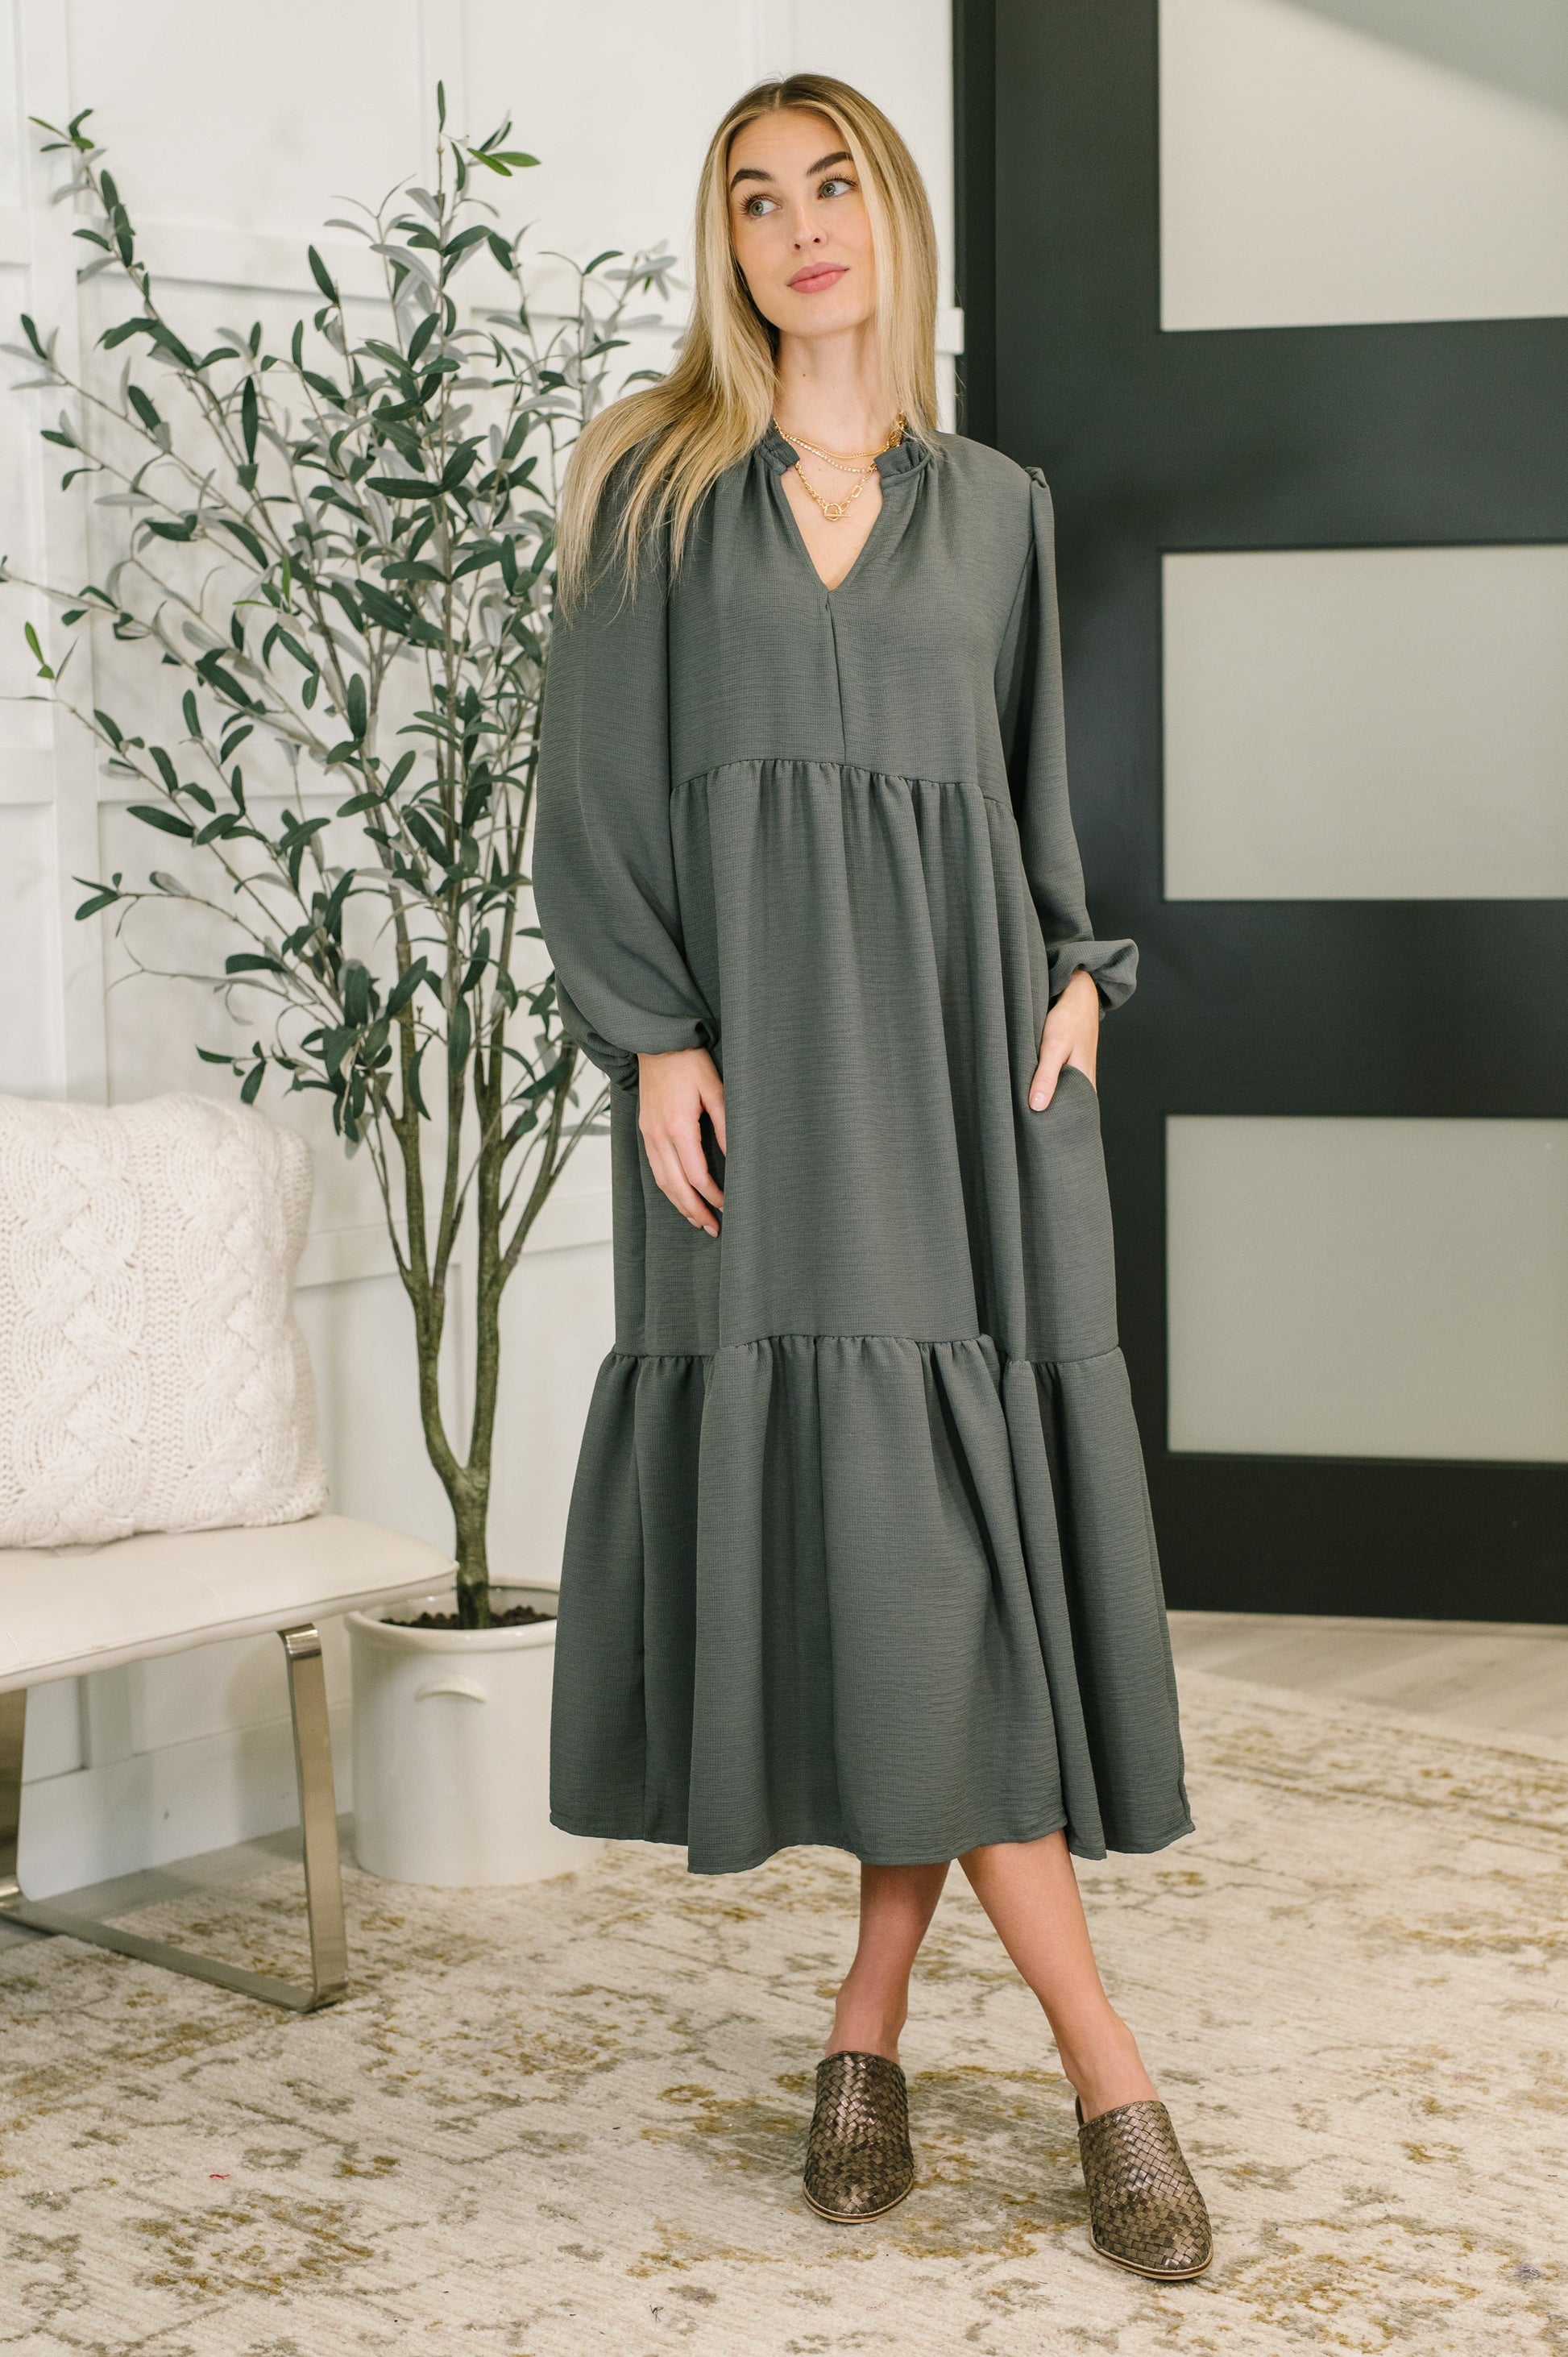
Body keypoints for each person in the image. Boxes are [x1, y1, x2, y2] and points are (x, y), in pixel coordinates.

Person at [532, 73, 1211, 2280]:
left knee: (939, 1559)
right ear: (723, 244)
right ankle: (1108, 2073)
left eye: (833, 186)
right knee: (892, 1554)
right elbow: (590, 797)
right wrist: (653, 1035)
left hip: (963, 1075)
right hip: (746, 1096)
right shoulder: (650, 484)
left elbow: (1030, 794)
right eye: (756, 198)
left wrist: (1077, 977)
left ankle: (869, 2028)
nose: (799, 226)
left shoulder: (997, 507)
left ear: (891, 220)